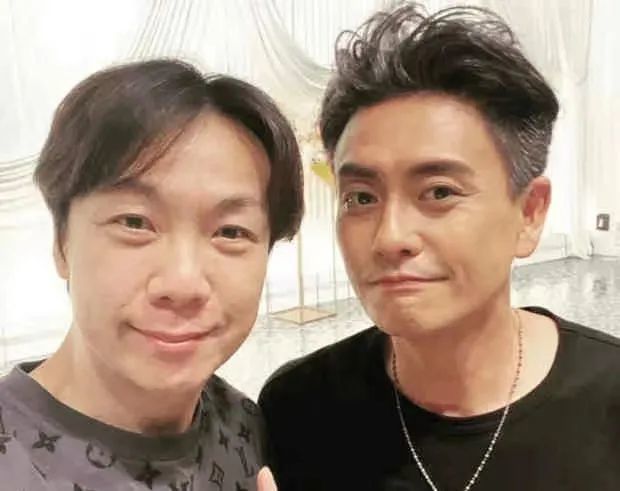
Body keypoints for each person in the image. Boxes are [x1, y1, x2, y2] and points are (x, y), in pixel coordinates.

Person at [258, 3, 620, 490]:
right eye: (361, 198)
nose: (390, 237)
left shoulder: (608, 402)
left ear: (529, 213)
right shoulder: (299, 408)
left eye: (439, 192)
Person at [0, 59, 301, 490]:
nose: (183, 284)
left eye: (231, 232)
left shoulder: (242, 425)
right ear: (62, 242)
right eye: (135, 222)